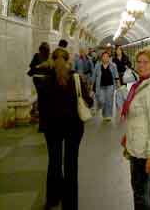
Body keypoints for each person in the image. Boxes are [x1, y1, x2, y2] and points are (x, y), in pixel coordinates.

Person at [42, 48, 93, 210]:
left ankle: (52, 199)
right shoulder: (76, 79)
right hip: (74, 128)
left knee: (54, 163)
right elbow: (88, 102)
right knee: (71, 165)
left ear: (52, 59)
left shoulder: (46, 80)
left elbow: (42, 108)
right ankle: (70, 204)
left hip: (52, 129)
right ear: (69, 59)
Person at [120, 46, 150, 210]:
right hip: (141, 143)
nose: (141, 65)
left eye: (145, 62)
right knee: (149, 188)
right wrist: (128, 135)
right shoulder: (144, 84)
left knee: (140, 193)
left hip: (144, 150)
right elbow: (139, 118)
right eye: (139, 62)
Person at [27, 42, 51, 132]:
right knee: (46, 103)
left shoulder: (37, 56)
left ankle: (42, 126)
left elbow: (31, 66)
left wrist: (37, 67)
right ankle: (46, 124)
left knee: (41, 102)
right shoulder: (49, 57)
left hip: (37, 80)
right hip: (46, 81)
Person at [93, 51, 120, 121]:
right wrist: (91, 85)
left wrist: (118, 85)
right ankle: (104, 112)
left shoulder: (113, 65)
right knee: (102, 100)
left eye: (107, 57)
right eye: (104, 56)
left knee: (109, 100)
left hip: (110, 85)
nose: (105, 58)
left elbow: (116, 76)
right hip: (100, 86)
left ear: (109, 58)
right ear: (101, 57)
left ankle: (107, 115)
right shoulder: (97, 65)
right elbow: (94, 76)